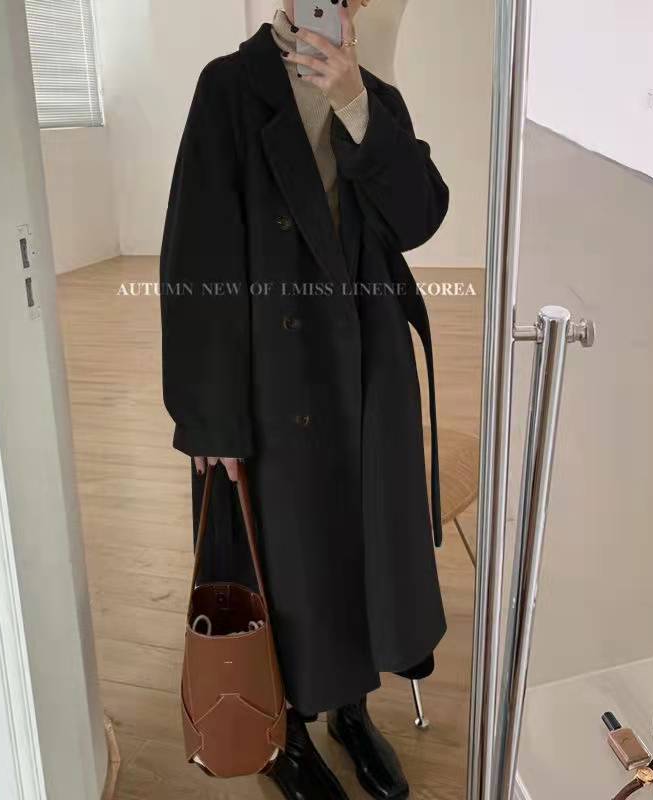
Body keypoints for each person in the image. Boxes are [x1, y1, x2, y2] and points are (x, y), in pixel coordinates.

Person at [161, 1, 449, 797]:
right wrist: (209, 415)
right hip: (273, 371)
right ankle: (286, 732)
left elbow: (419, 218)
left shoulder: (377, 98)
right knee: (288, 561)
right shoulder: (228, 87)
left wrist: (355, 104)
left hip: (368, 366)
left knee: (364, 546)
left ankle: (352, 710)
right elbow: (196, 253)